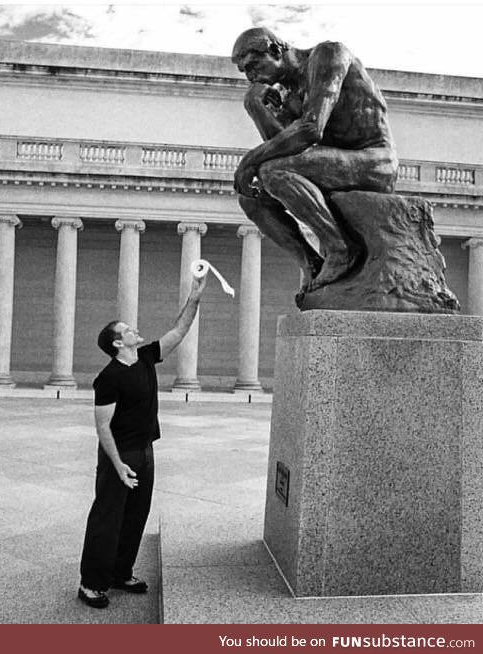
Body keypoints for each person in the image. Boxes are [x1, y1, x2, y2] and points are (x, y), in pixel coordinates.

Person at [231, 27, 398, 295]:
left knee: (271, 171)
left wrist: (249, 161)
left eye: (253, 66)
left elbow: (311, 129)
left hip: (374, 160)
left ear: (275, 50)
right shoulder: (288, 92)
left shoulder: (328, 55)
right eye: (245, 73)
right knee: (252, 198)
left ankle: (341, 249)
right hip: (335, 164)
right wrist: (257, 108)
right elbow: (286, 151)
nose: (251, 77)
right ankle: (311, 264)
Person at [78, 272, 207, 608]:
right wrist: (118, 465)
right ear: (118, 343)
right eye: (127, 330)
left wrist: (193, 297)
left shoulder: (147, 356)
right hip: (118, 457)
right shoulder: (108, 379)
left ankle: (121, 572)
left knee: (136, 515)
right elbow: (102, 427)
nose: (135, 330)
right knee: (107, 517)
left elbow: (178, 332)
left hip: (145, 451)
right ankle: (91, 584)